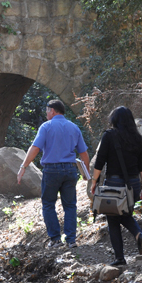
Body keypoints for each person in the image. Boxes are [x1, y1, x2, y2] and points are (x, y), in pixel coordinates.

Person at [17, 99, 90, 249]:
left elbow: (35, 148)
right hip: (70, 170)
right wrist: (86, 172)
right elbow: (84, 153)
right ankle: (71, 240)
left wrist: (23, 166)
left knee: (49, 204)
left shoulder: (46, 127)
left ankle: (55, 240)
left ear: (53, 110)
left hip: (51, 170)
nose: (46, 114)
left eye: (47, 111)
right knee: (70, 205)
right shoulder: (74, 127)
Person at [90, 106, 142, 266]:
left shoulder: (109, 136)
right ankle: (138, 235)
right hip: (133, 185)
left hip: (114, 184)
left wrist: (94, 182)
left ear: (114, 120)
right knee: (124, 214)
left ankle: (120, 258)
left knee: (113, 219)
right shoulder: (138, 138)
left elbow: (100, 161)